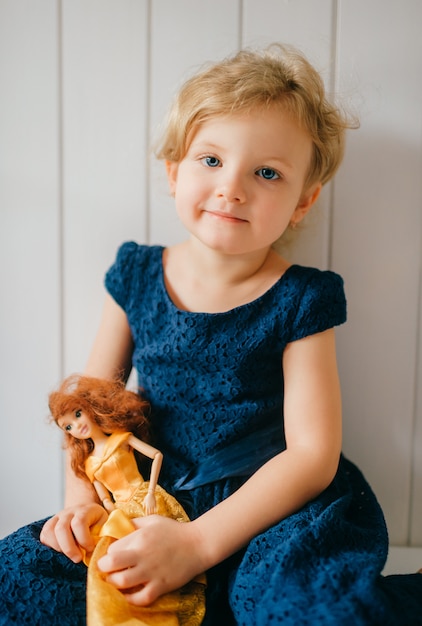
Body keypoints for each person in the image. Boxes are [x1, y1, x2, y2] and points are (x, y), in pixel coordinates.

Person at [0, 43, 421, 626]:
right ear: (175, 172)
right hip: (150, 497)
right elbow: (90, 415)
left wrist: (199, 545)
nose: (233, 188)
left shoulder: (302, 298)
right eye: (212, 160)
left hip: (271, 511)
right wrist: (84, 508)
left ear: (303, 201)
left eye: (266, 172)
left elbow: (311, 454)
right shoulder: (138, 275)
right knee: (22, 579)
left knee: (301, 607)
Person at [48, 374, 206, 625]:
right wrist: (106, 513)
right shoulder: (88, 464)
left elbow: (156, 456)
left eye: (77, 415)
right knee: (119, 568)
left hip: (145, 497)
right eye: (68, 427)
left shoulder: (121, 439)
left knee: (159, 552)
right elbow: (103, 497)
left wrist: (152, 491)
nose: (77, 426)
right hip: (120, 512)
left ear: (89, 408)